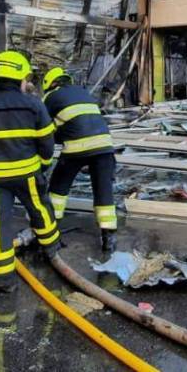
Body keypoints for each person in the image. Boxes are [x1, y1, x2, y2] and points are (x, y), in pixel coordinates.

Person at [0, 50, 58, 293]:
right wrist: (43, 165)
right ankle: (51, 251)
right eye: (26, 79)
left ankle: (3, 279)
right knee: (40, 210)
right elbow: (47, 142)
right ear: (20, 80)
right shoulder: (34, 106)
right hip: (27, 174)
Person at [41, 67, 118, 252]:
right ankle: (109, 239)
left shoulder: (50, 98)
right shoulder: (84, 93)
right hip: (105, 146)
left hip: (77, 147)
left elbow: (43, 129)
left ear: (49, 84)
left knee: (58, 188)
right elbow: (81, 122)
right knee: (103, 191)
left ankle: (51, 230)